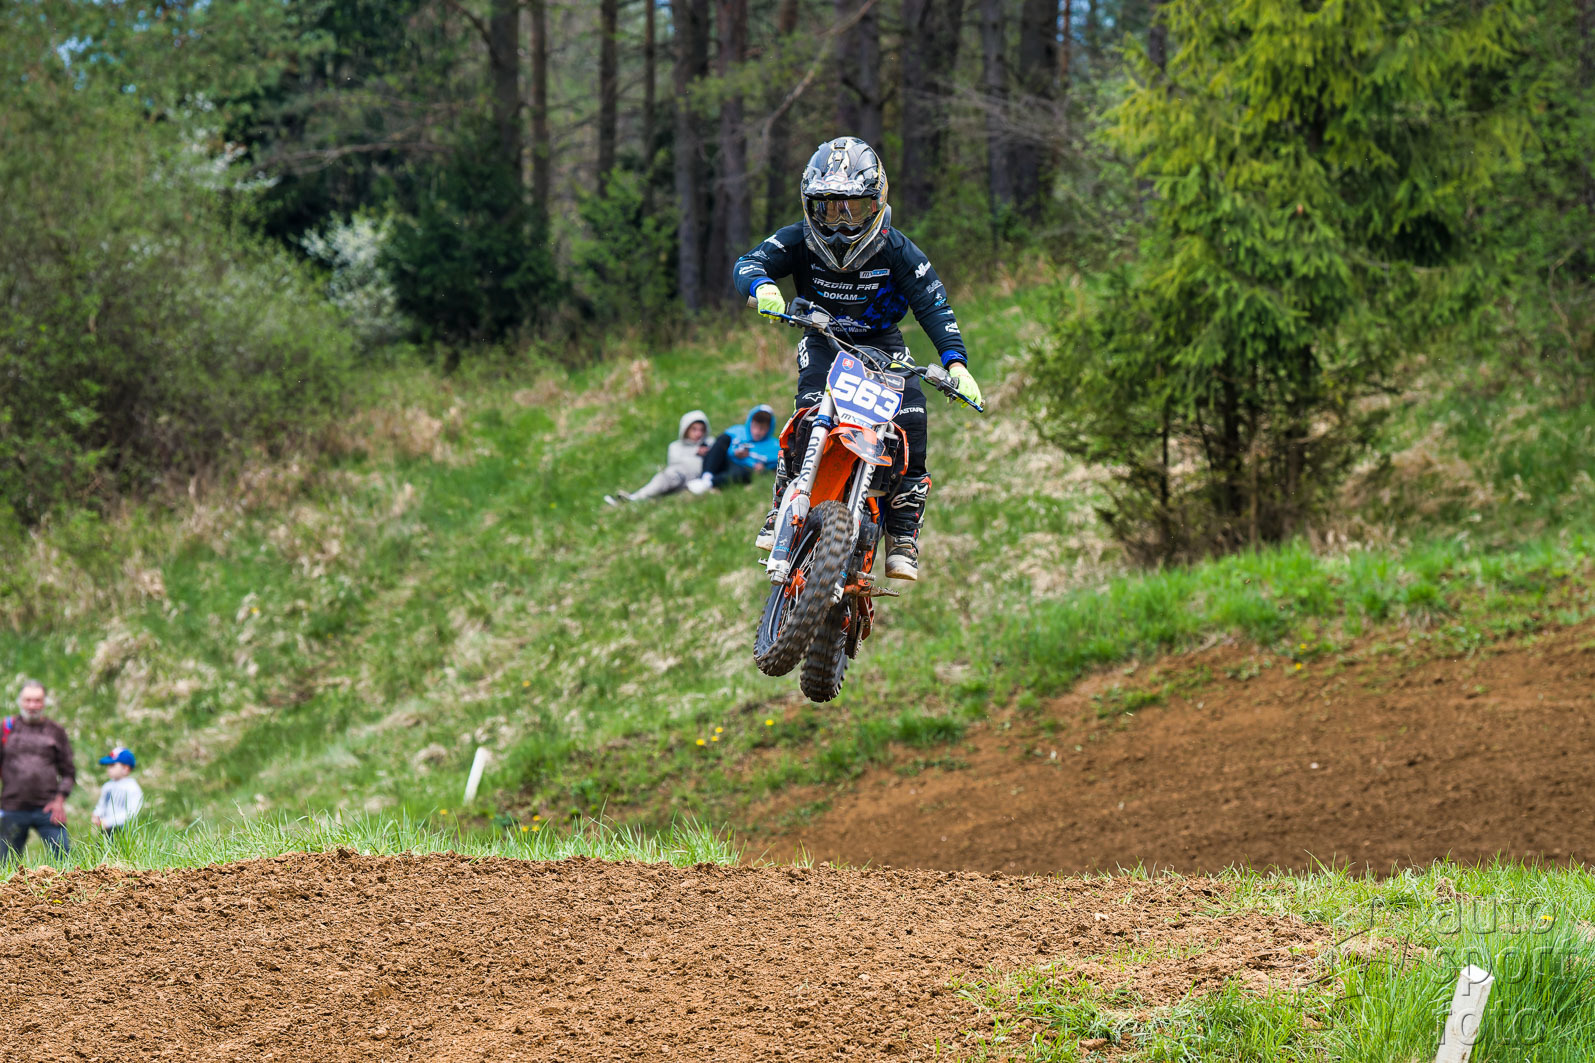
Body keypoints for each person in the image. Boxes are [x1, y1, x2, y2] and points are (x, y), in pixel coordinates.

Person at [731, 136, 984, 580]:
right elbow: (749, 262)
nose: (841, 223)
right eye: (829, 209)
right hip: (822, 335)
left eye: (854, 208)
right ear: (810, 206)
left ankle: (902, 534)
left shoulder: (897, 249)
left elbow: (933, 305)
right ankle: (782, 506)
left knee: (913, 420)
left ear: (877, 202)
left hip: (883, 345)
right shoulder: (799, 239)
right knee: (809, 412)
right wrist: (763, 286)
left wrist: (956, 364)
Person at [0, 679, 75, 860]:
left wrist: (59, 801)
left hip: (48, 809)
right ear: (20, 701)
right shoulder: (6, 728)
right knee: (4, 863)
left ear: (44, 702)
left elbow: (68, 772)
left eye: (37, 700)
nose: (32, 705)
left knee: (64, 859)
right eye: (28, 700)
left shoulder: (56, 731)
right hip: (12, 808)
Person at [604, 410, 712, 505]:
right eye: (694, 429)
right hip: (677, 476)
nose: (698, 433)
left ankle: (634, 499)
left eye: (701, 430)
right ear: (686, 429)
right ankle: (635, 498)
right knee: (664, 479)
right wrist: (695, 451)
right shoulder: (676, 446)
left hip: (701, 478)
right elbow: (674, 462)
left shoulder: (710, 443)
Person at [686, 404, 781, 494]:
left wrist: (763, 469)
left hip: (740, 469)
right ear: (750, 423)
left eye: (762, 428)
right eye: (754, 426)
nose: (757, 432)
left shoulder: (774, 446)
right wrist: (734, 453)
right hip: (723, 461)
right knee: (723, 439)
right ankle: (707, 476)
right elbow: (720, 445)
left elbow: (776, 468)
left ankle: (708, 483)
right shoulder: (737, 431)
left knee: (744, 474)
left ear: (769, 428)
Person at [91, 747, 144, 836]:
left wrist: (109, 821)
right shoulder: (107, 786)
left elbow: (132, 812)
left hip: (124, 831)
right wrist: (97, 813)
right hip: (106, 830)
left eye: (112, 765)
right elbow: (102, 804)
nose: (109, 769)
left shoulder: (132, 788)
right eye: (108, 766)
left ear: (125, 769)